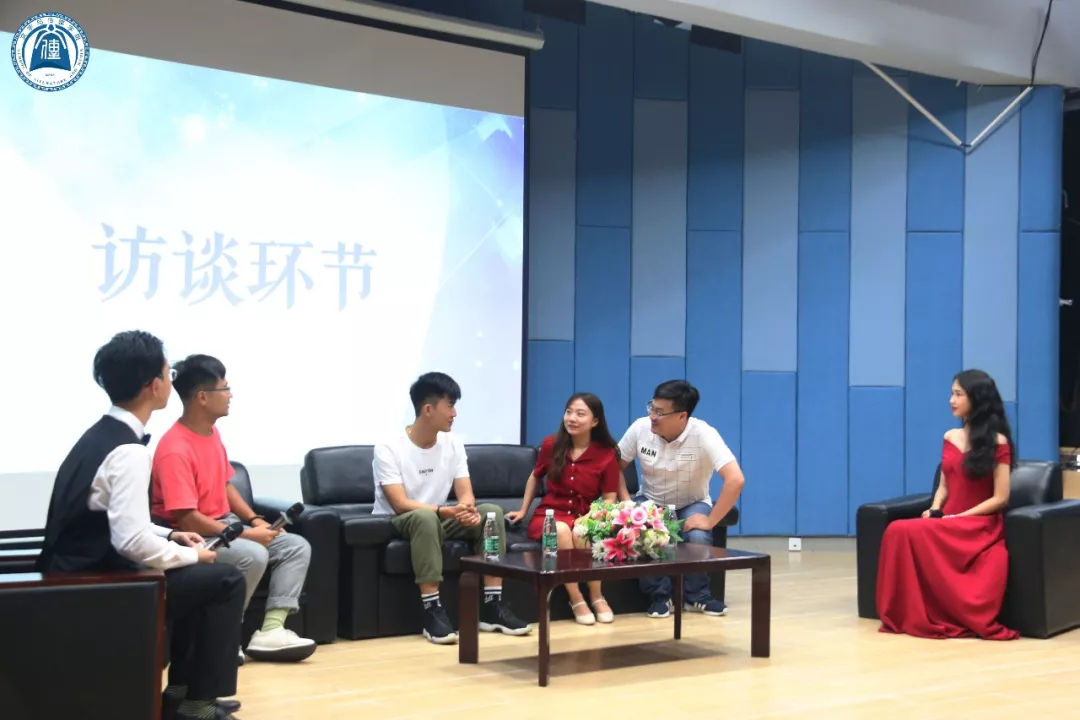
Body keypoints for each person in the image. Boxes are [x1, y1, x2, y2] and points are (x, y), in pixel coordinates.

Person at [36, 331, 245, 720]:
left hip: (75, 570)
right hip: (98, 582)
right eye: (167, 374)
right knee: (225, 580)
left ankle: (180, 693)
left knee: (202, 581)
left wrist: (171, 534)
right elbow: (131, 541)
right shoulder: (128, 451)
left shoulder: (100, 435)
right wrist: (193, 555)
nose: (170, 381)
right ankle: (198, 705)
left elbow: (116, 519)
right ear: (153, 386)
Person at [152, 354, 316, 662]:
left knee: (295, 547)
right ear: (202, 397)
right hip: (194, 535)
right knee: (253, 554)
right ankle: (223, 637)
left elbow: (225, 484)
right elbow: (187, 519)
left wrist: (254, 520)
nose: (230, 395)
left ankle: (271, 631)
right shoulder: (174, 448)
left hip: (225, 524)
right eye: (225, 388)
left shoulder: (211, 433)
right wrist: (248, 535)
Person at [372, 371, 531, 644]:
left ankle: (492, 606)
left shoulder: (453, 442)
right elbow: (399, 503)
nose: (454, 413)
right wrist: (442, 511)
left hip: (441, 515)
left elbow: (465, 492)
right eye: (450, 406)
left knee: (491, 512)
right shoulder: (389, 447)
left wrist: (467, 510)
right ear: (428, 409)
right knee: (424, 518)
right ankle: (432, 610)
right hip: (398, 520)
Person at [876, 369, 1020, 640]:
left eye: (958, 394)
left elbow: (1000, 498)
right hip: (948, 522)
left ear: (977, 399)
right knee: (897, 531)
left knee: (901, 529)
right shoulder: (950, 436)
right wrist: (935, 508)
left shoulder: (998, 442)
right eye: (952, 393)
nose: (951, 400)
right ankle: (903, 612)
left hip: (978, 526)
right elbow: (944, 486)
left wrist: (961, 516)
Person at [616, 379, 745, 618]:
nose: (652, 416)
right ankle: (661, 597)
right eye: (651, 408)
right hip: (650, 500)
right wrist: (626, 501)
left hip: (692, 502)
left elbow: (735, 479)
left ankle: (698, 597)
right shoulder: (640, 428)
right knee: (638, 530)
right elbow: (614, 467)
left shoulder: (704, 434)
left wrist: (711, 521)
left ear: (682, 416)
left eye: (660, 412)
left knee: (698, 535)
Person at [507, 393, 621, 625]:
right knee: (560, 530)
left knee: (581, 532)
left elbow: (610, 497)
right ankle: (576, 598)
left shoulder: (607, 453)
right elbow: (535, 476)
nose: (571, 418)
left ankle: (596, 596)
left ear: (595, 421)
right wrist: (522, 510)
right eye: (568, 412)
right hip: (550, 514)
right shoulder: (551, 445)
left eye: (580, 414)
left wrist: (591, 518)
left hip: (584, 514)